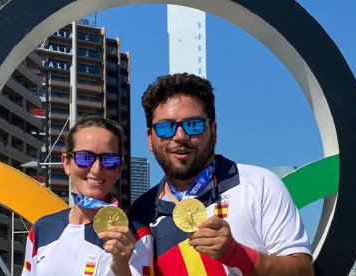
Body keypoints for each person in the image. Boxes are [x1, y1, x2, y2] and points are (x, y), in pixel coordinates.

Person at [129, 73, 314, 275]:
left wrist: (237, 254)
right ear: (150, 138)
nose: (180, 136)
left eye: (193, 125)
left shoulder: (259, 184)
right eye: (166, 127)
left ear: (214, 131)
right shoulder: (141, 212)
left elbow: (303, 270)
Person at [22, 116, 146, 276]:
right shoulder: (42, 229)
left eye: (109, 160)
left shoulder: (137, 235)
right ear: (67, 163)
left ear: (119, 169)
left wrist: (121, 267)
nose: (96, 169)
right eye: (85, 158)